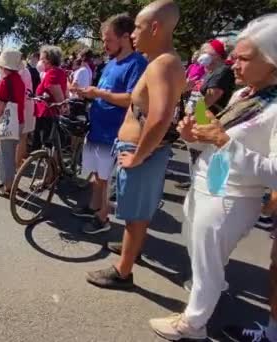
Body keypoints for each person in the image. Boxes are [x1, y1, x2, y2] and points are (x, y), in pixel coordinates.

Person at [148, 13, 277, 340]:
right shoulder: (245, 95)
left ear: (273, 64)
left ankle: (192, 325)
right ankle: (207, 297)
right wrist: (193, 134)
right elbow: (216, 140)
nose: (234, 65)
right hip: (213, 183)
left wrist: (222, 141)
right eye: (234, 58)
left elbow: (273, 171)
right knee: (200, 251)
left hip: (234, 196)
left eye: (244, 59)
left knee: (207, 265)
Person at [86, 0, 186, 289]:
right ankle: (131, 250)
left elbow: (161, 116)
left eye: (138, 28)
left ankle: (123, 271)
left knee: (134, 214)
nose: (132, 34)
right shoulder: (166, 61)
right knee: (135, 213)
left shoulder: (163, 64)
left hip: (140, 152)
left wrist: (139, 155)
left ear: (155, 27)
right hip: (141, 150)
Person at [72, 13, 148, 234]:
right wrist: (88, 94)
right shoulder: (111, 63)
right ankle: (94, 207)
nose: (104, 45)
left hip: (114, 132)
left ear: (125, 37)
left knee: (106, 177)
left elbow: (132, 98)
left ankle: (102, 218)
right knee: (98, 175)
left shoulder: (137, 63)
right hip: (98, 128)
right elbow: (104, 93)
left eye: (108, 40)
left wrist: (99, 94)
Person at [177, 39, 236, 190]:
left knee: (204, 158)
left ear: (218, 55)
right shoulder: (210, 73)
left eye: (207, 52)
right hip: (200, 120)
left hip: (207, 122)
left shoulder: (222, 71)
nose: (203, 55)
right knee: (196, 157)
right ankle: (197, 184)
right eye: (202, 52)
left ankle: (207, 188)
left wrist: (195, 118)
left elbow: (211, 97)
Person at [0, 49, 25, 198]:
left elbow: (0, 105)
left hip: (7, 121)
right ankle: (10, 184)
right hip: (18, 120)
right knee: (11, 155)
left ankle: (8, 186)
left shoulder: (5, 81)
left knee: (5, 156)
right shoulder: (19, 79)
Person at [33, 45, 67, 151]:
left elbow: (58, 94)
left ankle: (51, 166)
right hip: (48, 113)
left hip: (48, 113)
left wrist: (63, 107)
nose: (40, 62)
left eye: (42, 59)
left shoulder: (52, 73)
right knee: (50, 146)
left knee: (47, 145)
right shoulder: (57, 71)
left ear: (50, 60)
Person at [17, 52, 36, 167]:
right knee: (22, 136)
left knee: (21, 137)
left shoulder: (22, 71)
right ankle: (20, 161)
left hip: (24, 106)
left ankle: (18, 163)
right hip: (27, 105)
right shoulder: (25, 70)